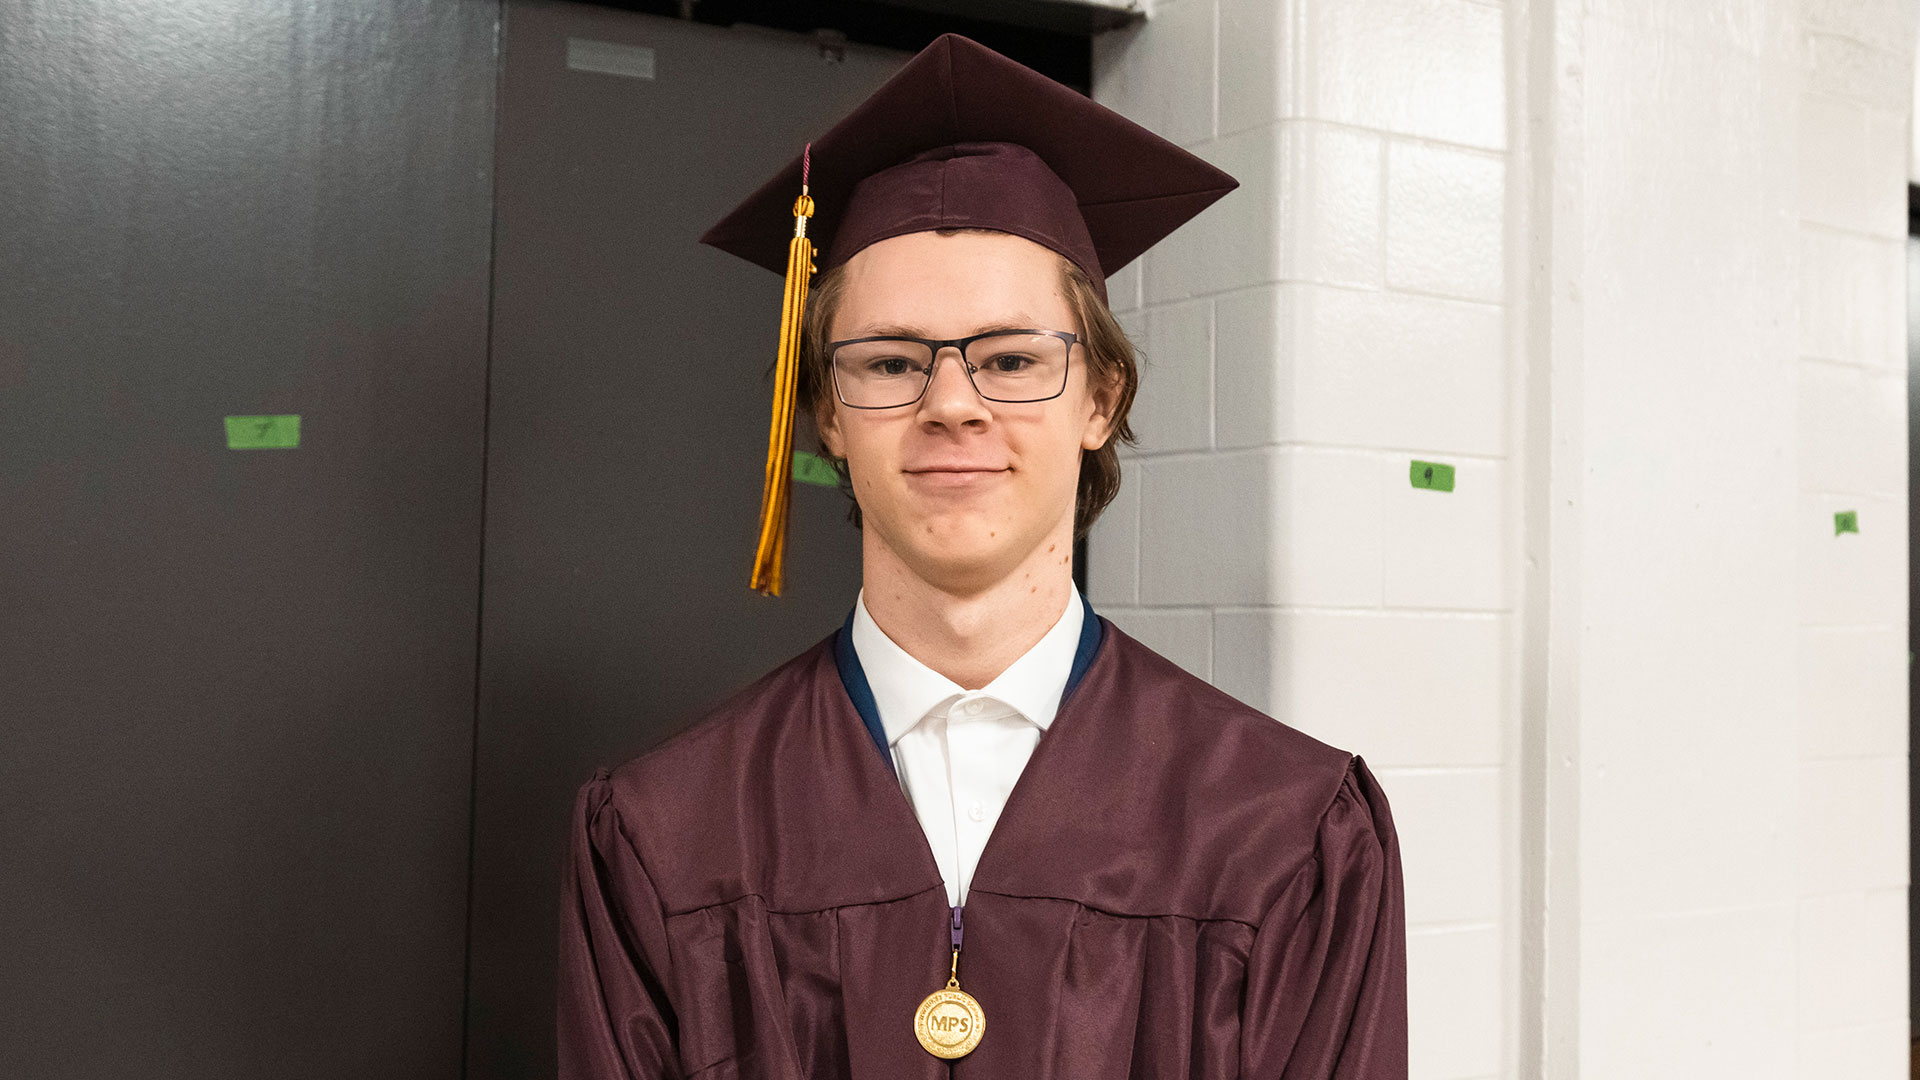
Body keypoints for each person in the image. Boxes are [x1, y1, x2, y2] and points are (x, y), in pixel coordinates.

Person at [557, 33, 1406, 1080]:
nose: (951, 403)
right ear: (826, 412)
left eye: (1011, 358)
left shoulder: (1286, 833)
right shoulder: (666, 833)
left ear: (1101, 398)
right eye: (890, 361)